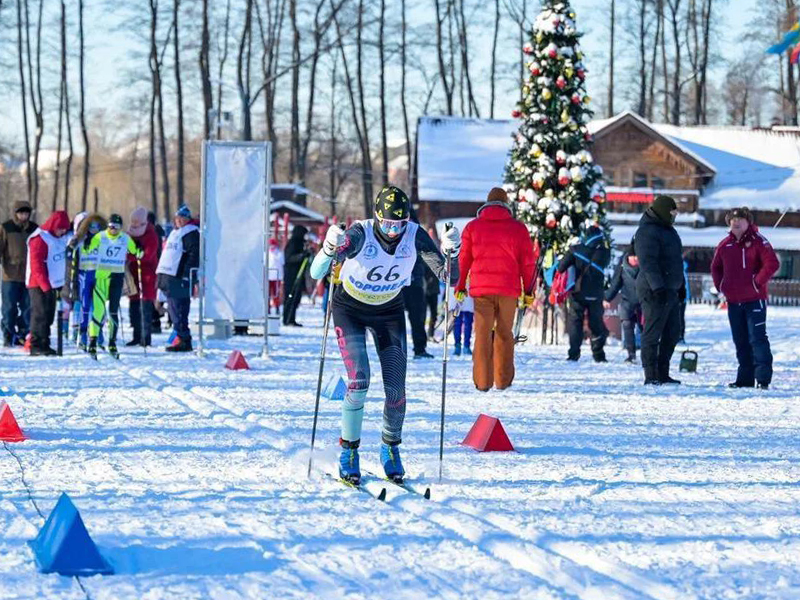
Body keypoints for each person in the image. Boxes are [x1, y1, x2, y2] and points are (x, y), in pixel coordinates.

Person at [309, 184, 460, 485]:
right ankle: (349, 452)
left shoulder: (415, 235)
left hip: (389, 311)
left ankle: (390, 450)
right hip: (349, 308)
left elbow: (448, 277)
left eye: (399, 224)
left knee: (396, 390)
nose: (393, 231)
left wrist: (452, 252)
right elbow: (317, 273)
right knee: (359, 380)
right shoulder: (359, 234)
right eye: (387, 223)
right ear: (377, 217)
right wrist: (328, 248)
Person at [455, 187, 536, 392]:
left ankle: (482, 382)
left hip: (481, 291)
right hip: (509, 290)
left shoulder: (472, 227)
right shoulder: (518, 229)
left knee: (482, 334)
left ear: (487, 204)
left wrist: (460, 284)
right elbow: (528, 263)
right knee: (504, 333)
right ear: (506, 205)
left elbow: (464, 259)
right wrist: (529, 290)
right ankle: (503, 380)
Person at [711, 207, 780, 390]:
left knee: (757, 339)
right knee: (740, 340)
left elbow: (772, 263)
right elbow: (716, 267)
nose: (736, 222)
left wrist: (757, 282)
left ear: (748, 222)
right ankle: (745, 379)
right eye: (732, 220)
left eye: (740, 219)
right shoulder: (725, 244)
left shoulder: (759, 241)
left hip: (754, 300)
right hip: (734, 301)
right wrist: (721, 286)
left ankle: (763, 379)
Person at [634, 195, 685, 385]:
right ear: (663, 211)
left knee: (673, 332)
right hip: (653, 290)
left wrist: (681, 287)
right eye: (672, 212)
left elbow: (676, 262)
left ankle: (663, 372)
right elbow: (648, 263)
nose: (674, 216)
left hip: (670, 289)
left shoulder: (669, 230)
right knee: (653, 332)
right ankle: (651, 374)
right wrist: (658, 287)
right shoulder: (647, 232)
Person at [85, 214, 142, 359]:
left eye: (116, 227)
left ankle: (112, 342)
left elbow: (136, 252)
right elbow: (87, 250)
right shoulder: (100, 236)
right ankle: (92, 341)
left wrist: (139, 249)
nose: (113, 230)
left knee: (113, 313)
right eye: (110, 226)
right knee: (98, 311)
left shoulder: (125, 238)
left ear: (120, 228)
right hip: (101, 279)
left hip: (116, 278)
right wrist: (86, 243)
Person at [557, 224, 611, 363]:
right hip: (596, 294)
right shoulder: (605, 252)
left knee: (576, 322)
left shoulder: (576, 249)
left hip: (578, 292)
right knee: (596, 323)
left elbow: (561, 267)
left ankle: (573, 354)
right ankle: (599, 355)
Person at [25, 210, 70, 356]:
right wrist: (45, 286)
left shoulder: (59, 237)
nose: (62, 232)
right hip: (38, 284)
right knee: (40, 315)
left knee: (49, 315)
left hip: (52, 284)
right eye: (60, 228)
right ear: (53, 225)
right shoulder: (40, 238)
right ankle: (36, 345)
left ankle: (45, 342)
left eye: (65, 229)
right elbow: (36, 265)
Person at [156, 204, 200, 352]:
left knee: (179, 310)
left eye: (183, 218)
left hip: (179, 278)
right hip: (169, 278)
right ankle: (180, 337)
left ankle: (184, 339)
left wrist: (187, 275)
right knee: (174, 310)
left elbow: (193, 256)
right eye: (177, 218)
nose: (179, 221)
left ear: (188, 219)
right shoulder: (176, 233)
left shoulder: (191, 232)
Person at [0, 201, 38, 346]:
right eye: (21, 212)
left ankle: (23, 333)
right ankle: (8, 334)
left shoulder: (35, 229)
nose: (23, 215)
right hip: (9, 275)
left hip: (29, 275)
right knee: (9, 307)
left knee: (27, 307)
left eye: (26, 212)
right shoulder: (6, 227)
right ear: (15, 213)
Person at [127, 207, 160, 347]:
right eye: (132, 221)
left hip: (146, 274)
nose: (134, 224)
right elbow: (127, 251)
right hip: (133, 274)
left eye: (137, 221)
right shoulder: (130, 233)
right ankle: (136, 335)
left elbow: (148, 255)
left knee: (144, 308)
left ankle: (145, 337)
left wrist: (138, 254)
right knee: (133, 307)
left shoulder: (151, 234)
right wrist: (133, 254)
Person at [605, 239, 641, 363]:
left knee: (645, 329)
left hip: (644, 302)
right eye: (633, 257)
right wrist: (607, 297)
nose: (635, 259)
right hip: (627, 301)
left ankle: (649, 355)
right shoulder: (622, 266)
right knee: (627, 326)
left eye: (637, 257)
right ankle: (631, 354)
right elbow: (616, 283)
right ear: (628, 257)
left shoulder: (647, 265)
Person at [403, 257, 433, 359]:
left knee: (418, 319)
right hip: (398, 285)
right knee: (395, 321)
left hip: (416, 285)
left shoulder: (418, 242)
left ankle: (420, 349)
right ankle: (395, 350)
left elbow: (429, 263)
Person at [282, 225, 310, 326]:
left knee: (296, 298)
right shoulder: (293, 243)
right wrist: (302, 256)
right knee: (290, 297)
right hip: (291, 275)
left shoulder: (301, 243)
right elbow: (289, 258)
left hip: (299, 273)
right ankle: (287, 319)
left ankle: (292, 318)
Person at [450, 282, 474, 356]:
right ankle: (457, 345)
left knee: (468, 321)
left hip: (468, 290)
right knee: (457, 321)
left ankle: (466, 345)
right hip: (457, 291)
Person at [268, 238, 284, 314]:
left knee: (276, 293)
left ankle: (277, 307)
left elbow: (281, 262)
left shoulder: (279, 253)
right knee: (267, 293)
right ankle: (268, 308)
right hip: (268, 276)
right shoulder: (267, 253)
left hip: (276, 277)